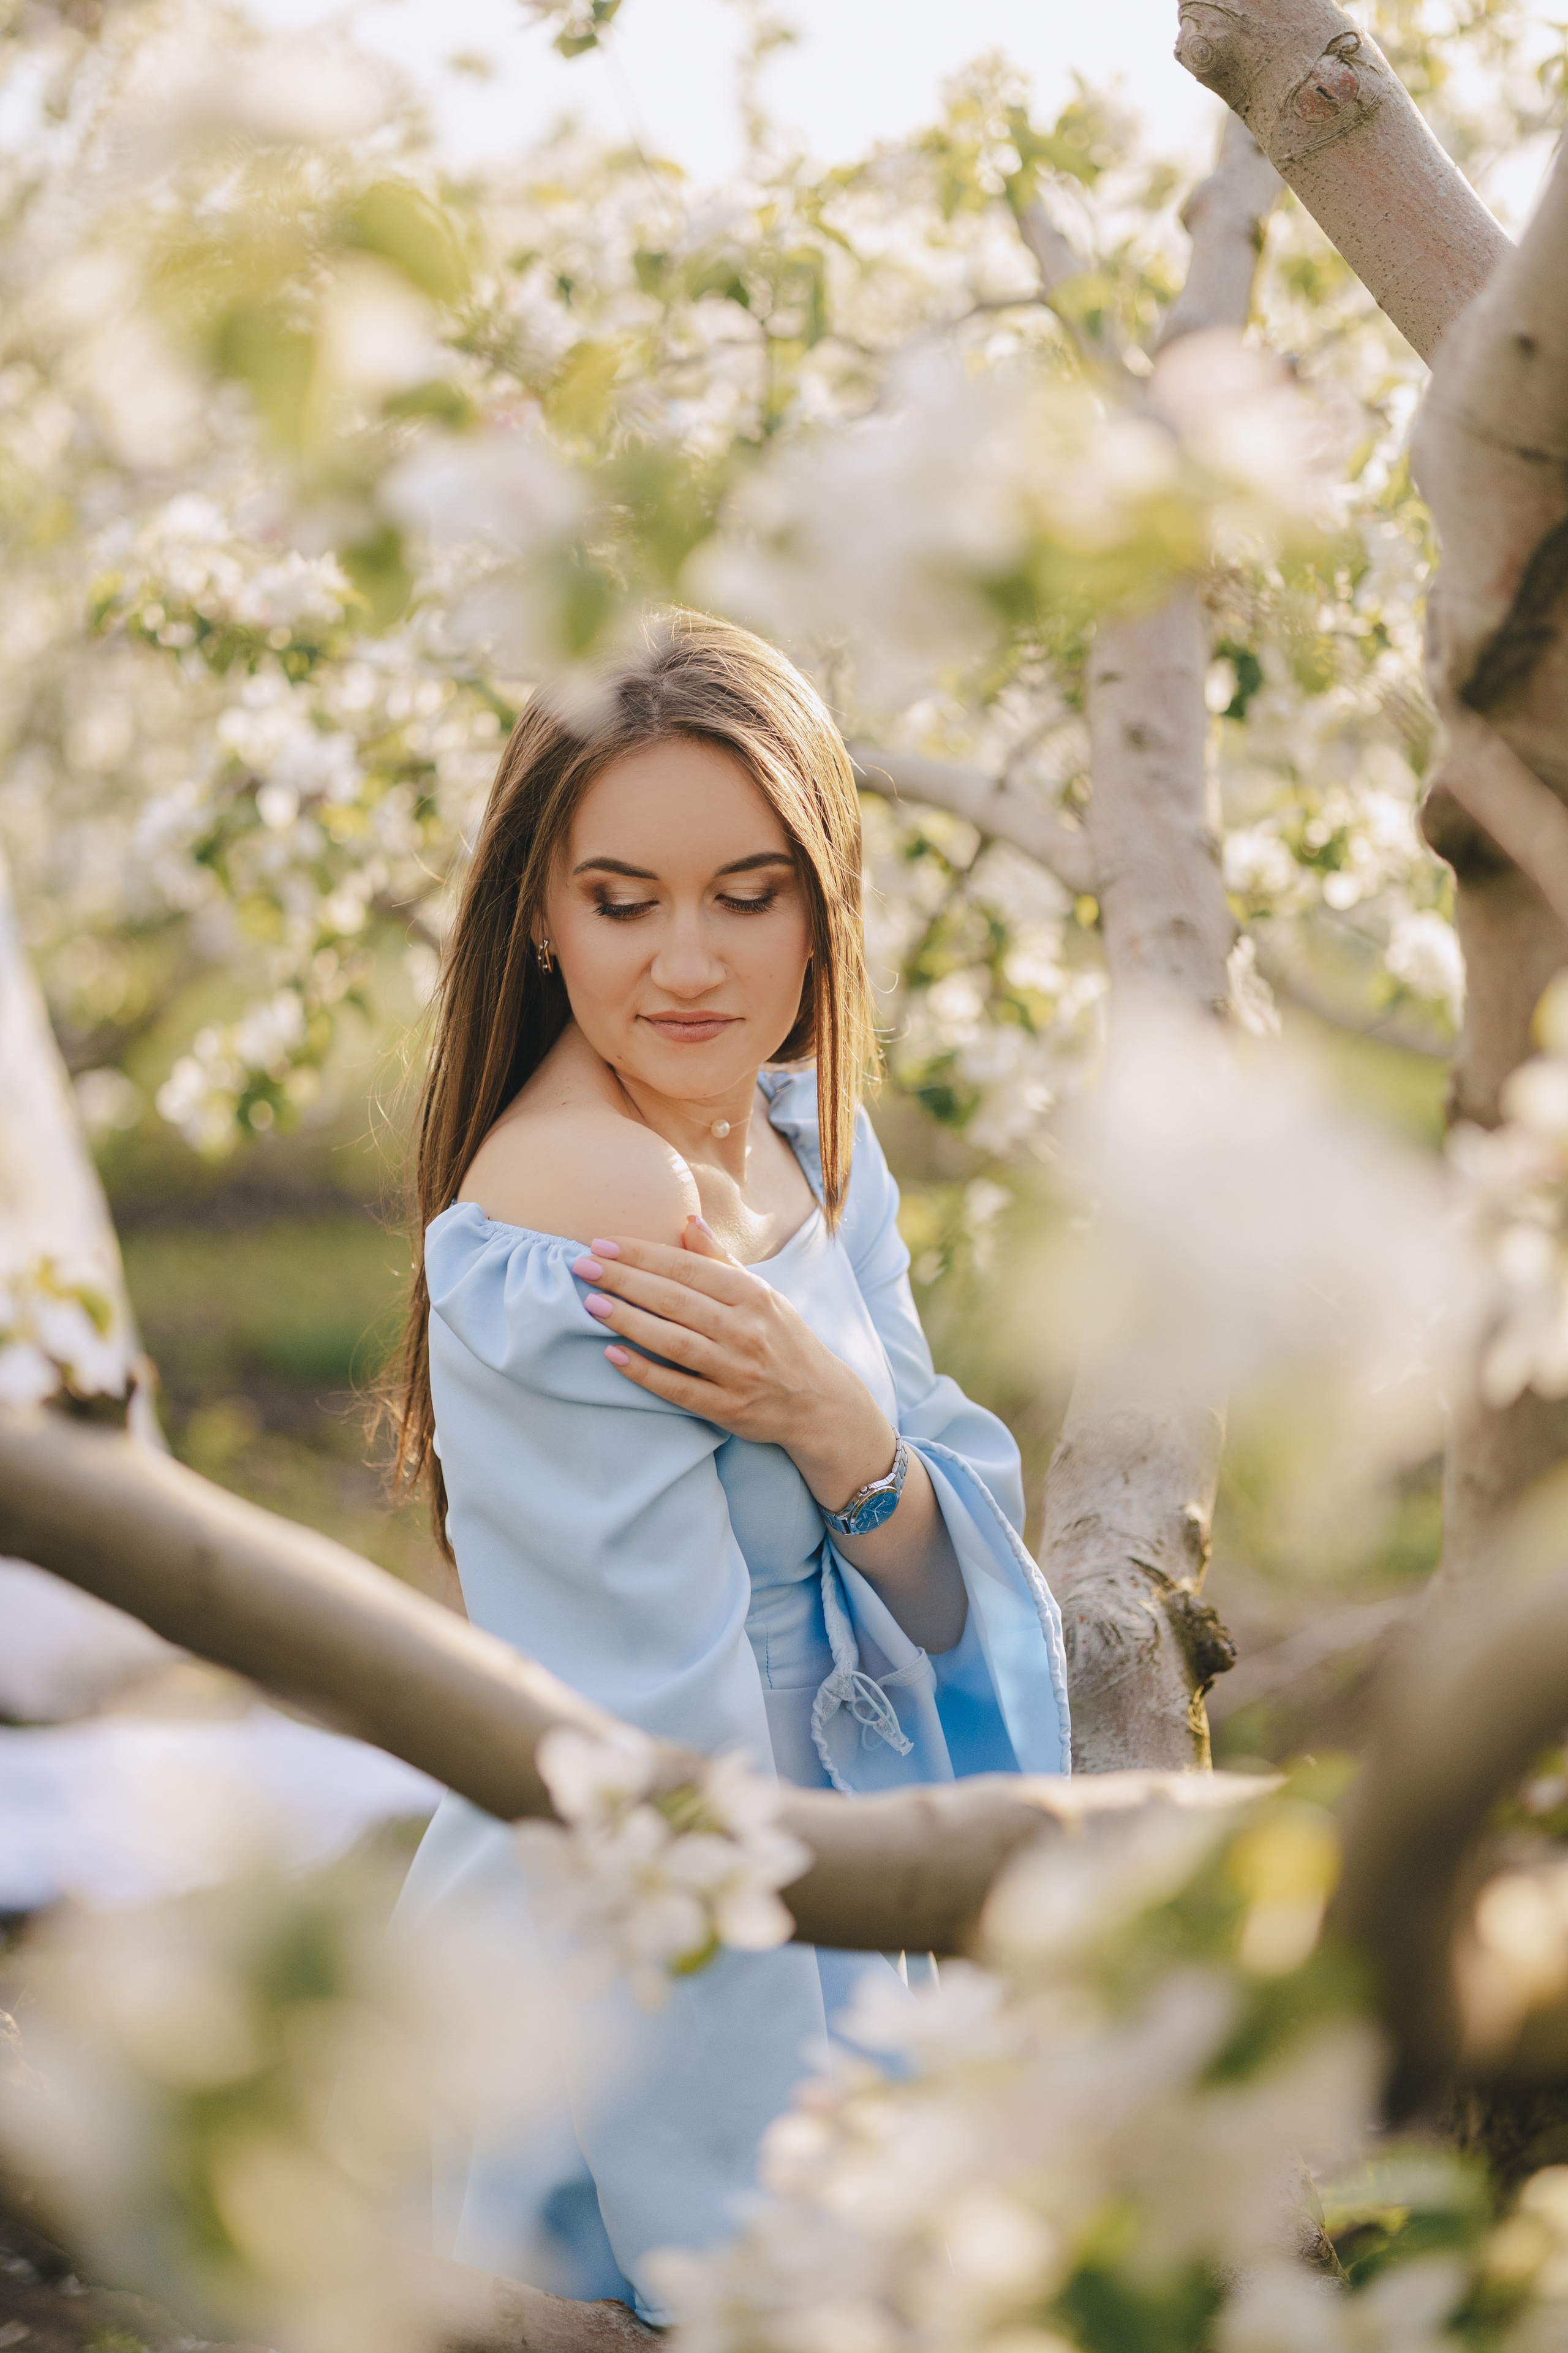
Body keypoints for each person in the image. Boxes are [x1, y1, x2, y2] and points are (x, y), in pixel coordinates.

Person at [388, 610, 1070, 2325]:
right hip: (667, 1966)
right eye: (624, 899)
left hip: (846, 1875)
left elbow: (944, 1567)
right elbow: (660, 1757)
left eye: (747, 892)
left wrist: (844, 1436)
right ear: (540, 914)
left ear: (822, 900)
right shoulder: (593, 1208)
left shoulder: (796, 1133)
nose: (688, 961)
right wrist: (775, 2237)